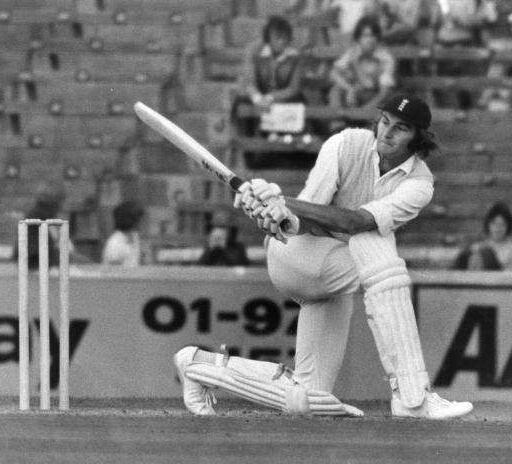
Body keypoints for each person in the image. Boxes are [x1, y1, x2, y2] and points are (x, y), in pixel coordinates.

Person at [173, 94, 474, 419]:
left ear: (419, 139)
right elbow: (297, 223)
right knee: (382, 256)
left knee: (308, 399)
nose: (386, 133)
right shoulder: (344, 144)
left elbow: (356, 221)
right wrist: (274, 208)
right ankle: (413, 398)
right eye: (385, 122)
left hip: (336, 274)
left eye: (400, 128)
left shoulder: (420, 184)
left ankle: (198, 365)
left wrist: (280, 200)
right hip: (296, 254)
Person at [233, 15, 303, 136]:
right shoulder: (255, 52)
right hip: (259, 95)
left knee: (297, 107)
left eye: (285, 37)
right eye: (277, 37)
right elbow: (249, 80)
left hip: (283, 97)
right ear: (268, 38)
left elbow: (293, 88)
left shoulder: (295, 56)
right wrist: (258, 98)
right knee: (240, 103)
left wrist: (271, 97)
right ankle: (247, 146)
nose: (281, 41)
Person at [12, 181, 90, 269]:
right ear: (53, 202)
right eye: (60, 201)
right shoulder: (37, 219)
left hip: (46, 264)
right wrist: (71, 258)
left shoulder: (47, 217)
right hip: (36, 267)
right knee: (84, 263)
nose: (61, 206)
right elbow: (35, 254)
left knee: (83, 262)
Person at [329, 16, 396, 110]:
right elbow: (334, 73)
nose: (369, 40)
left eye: (373, 36)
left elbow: (384, 93)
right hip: (355, 92)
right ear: (358, 39)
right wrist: (349, 89)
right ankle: (337, 122)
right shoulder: (352, 52)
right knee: (335, 91)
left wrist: (363, 111)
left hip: (374, 96)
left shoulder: (386, 58)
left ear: (377, 38)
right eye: (365, 36)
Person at [453, 202, 512, 271]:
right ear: (488, 225)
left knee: (486, 253)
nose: (498, 228)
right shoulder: (480, 245)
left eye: (502, 224)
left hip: (501, 280)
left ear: (508, 226)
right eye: (494, 224)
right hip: (478, 279)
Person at [102, 200, 149, 267]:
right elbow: (113, 274)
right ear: (132, 220)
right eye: (141, 219)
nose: (145, 222)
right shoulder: (115, 244)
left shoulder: (134, 236)